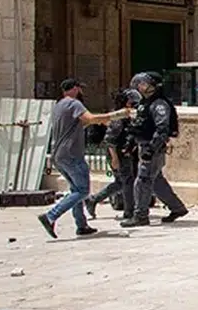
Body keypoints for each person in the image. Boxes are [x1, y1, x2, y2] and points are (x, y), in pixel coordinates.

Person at [37, 78, 130, 238]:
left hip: (59, 155)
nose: (81, 92)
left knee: (75, 190)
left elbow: (78, 125)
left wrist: (102, 121)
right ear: (74, 89)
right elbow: (91, 119)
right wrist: (118, 115)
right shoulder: (74, 104)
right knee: (82, 190)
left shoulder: (59, 106)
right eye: (80, 89)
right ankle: (51, 216)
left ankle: (81, 225)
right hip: (71, 154)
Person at [121, 72, 189, 227]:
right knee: (156, 181)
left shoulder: (159, 104)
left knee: (143, 181)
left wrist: (151, 149)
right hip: (144, 145)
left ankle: (140, 215)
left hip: (152, 148)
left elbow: (162, 129)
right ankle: (177, 208)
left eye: (144, 84)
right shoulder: (146, 103)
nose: (140, 87)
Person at [84, 88, 141, 221]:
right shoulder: (118, 118)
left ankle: (93, 199)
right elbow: (109, 140)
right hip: (117, 153)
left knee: (121, 182)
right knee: (126, 181)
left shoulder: (127, 117)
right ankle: (129, 211)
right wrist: (115, 158)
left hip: (124, 153)